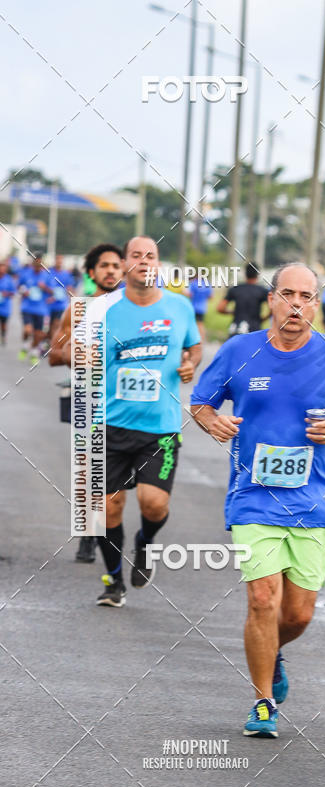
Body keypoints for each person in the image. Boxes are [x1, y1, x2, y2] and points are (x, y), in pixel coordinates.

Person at [191, 263, 325, 738]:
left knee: (297, 614)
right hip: (252, 497)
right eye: (287, 294)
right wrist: (212, 422)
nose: (295, 304)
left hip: (313, 500)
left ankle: (272, 653)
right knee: (261, 598)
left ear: (316, 305)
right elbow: (201, 401)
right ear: (271, 299)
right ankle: (263, 701)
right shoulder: (239, 350)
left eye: (305, 297)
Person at [74, 236, 202, 607]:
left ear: (158, 264)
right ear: (125, 264)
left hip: (159, 428)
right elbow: (79, 357)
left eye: (151, 256)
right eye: (136, 256)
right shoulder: (101, 309)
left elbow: (193, 346)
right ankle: (114, 581)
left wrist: (191, 362)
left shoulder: (179, 306)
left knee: (154, 503)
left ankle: (145, 543)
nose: (144, 261)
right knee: (107, 507)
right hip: (109, 425)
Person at [50, 243, 125, 564]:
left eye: (116, 265)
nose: (111, 270)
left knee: (114, 478)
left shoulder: (132, 309)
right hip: (88, 398)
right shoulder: (77, 310)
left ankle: (105, 527)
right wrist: (75, 354)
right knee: (88, 468)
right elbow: (55, 354)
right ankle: (88, 534)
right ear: (92, 273)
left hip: (124, 403)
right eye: (104, 266)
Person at [217, 261, 270, 335]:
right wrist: (263, 319)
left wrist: (232, 312)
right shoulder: (262, 291)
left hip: (236, 328)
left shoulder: (235, 289)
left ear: (245, 274)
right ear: (257, 275)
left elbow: (220, 308)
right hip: (254, 329)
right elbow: (272, 308)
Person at [18, 253, 50, 362]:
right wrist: (23, 291)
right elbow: (19, 286)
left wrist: (44, 287)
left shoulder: (46, 276)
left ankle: (33, 352)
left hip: (41, 309)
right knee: (28, 330)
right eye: (36, 263)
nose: (38, 265)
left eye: (40, 263)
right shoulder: (26, 273)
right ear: (33, 262)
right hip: (27, 307)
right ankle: (26, 344)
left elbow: (52, 291)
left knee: (38, 335)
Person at [46, 254, 75, 338]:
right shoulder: (49, 272)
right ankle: (48, 340)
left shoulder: (66, 274)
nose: (59, 262)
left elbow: (69, 288)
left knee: (56, 324)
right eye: (57, 260)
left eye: (61, 260)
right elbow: (43, 285)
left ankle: (52, 344)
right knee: (49, 326)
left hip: (61, 305)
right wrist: (50, 293)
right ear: (55, 261)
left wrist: (73, 298)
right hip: (49, 305)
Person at [188, 271, 212, 340]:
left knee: (192, 324)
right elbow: (210, 296)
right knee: (201, 324)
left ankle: (192, 339)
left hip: (193, 306)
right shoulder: (207, 284)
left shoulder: (193, 283)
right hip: (202, 308)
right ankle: (201, 339)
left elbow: (189, 294)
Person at [0, 260, 17, 345]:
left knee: (3, 325)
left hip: (5, 306)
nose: (2, 270)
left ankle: (3, 336)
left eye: (4, 268)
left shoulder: (9, 279)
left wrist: (6, 293)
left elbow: (13, 292)